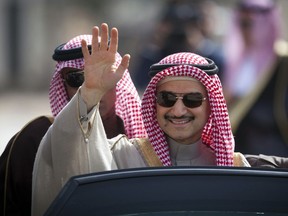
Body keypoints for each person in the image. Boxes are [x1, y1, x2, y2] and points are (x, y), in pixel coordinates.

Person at [32, 23, 250, 216]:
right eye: (166, 98)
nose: (178, 109)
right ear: (153, 104)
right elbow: (70, 155)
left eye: (192, 99)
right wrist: (90, 94)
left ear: (211, 105)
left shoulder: (236, 168)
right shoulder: (122, 156)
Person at [0, 34, 146, 216]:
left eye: (103, 74)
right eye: (77, 79)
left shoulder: (147, 143)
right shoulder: (33, 139)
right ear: (63, 86)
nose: (91, 85)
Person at [222, 0, 288, 157]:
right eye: (242, 24)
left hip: (270, 144)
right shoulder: (236, 59)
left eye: (250, 24)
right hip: (238, 144)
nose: (246, 30)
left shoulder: (282, 59)